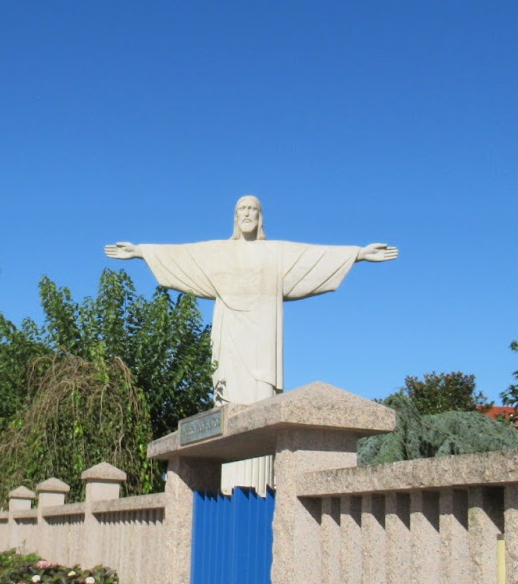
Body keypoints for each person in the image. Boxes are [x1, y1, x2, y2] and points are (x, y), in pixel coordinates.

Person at [106, 196, 398, 492]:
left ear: (260, 218)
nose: (247, 214)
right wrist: (141, 252)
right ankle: (229, 491)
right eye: (241, 210)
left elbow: (313, 256)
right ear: (235, 217)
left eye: (252, 210)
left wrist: (359, 254)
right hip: (228, 339)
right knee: (226, 406)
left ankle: (257, 496)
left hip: (261, 344)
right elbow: (183, 255)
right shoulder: (219, 252)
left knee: (259, 407)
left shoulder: (275, 253)